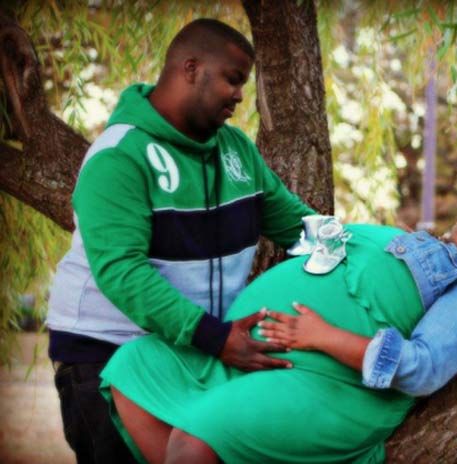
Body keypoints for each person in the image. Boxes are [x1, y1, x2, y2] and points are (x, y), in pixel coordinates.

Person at [99, 190, 457, 464]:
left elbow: (423, 368)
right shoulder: (407, 237)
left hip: (330, 383)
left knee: (195, 441)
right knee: (135, 367)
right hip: (251, 353)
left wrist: (319, 336)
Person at [45, 19, 315, 464]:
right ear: (191, 68)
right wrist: (215, 337)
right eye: (233, 79)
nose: (240, 96)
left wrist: (386, 251)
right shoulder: (119, 155)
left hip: (193, 348)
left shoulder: (236, 150)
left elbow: (297, 225)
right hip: (106, 352)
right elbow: (123, 272)